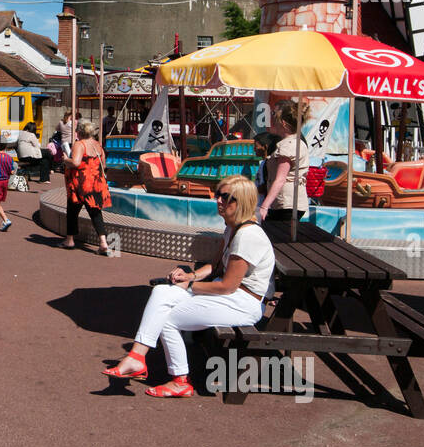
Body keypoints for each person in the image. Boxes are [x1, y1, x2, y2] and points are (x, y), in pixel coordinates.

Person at [103, 175, 275, 398]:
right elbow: (213, 266)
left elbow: (227, 286)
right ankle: (137, 356)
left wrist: (190, 285)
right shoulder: (232, 228)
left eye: (225, 197)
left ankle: (180, 380)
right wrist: (191, 275)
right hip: (229, 296)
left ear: (240, 201)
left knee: (168, 317)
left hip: (243, 302)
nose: (218, 201)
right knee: (162, 291)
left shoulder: (248, 235)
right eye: (217, 194)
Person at [62, 120, 112, 255]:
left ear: (80, 132)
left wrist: (66, 159)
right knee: (95, 213)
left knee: (72, 211)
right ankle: (103, 242)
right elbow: (104, 165)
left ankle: (70, 239)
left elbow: (76, 162)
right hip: (96, 183)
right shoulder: (98, 145)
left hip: (80, 183)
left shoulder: (80, 144)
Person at [258, 100, 309, 223]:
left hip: (286, 203)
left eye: (276, 120)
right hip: (292, 202)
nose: (274, 123)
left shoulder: (288, 146)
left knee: (277, 236)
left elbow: (280, 179)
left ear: (284, 124)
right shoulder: (297, 143)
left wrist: (264, 206)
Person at [252, 131, 279, 201]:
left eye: (256, 146)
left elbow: (266, 186)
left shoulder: (269, 163)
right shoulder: (263, 162)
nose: (254, 149)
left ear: (265, 147)